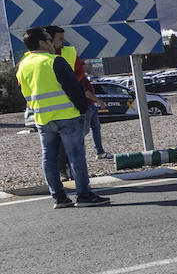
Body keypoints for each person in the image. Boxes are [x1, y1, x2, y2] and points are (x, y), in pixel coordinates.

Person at [16, 26, 110, 208]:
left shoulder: (22, 67)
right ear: (42, 43)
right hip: (67, 116)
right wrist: (82, 110)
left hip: (43, 119)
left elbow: (26, 94)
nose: (53, 44)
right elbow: (74, 88)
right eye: (49, 40)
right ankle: (83, 195)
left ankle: (59, 198)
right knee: (76, 156)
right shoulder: (54, 61)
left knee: (48, 158)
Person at [49, 27, 110, 160]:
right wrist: (98, 101)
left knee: (93, 130)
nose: (63, 41)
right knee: (80, 134)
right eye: (60, 39)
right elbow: (81, 90)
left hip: (84, 105)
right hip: (74, 107)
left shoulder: (70, 57)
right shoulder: (50, 60)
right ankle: (70, 164)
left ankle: (97, 152)